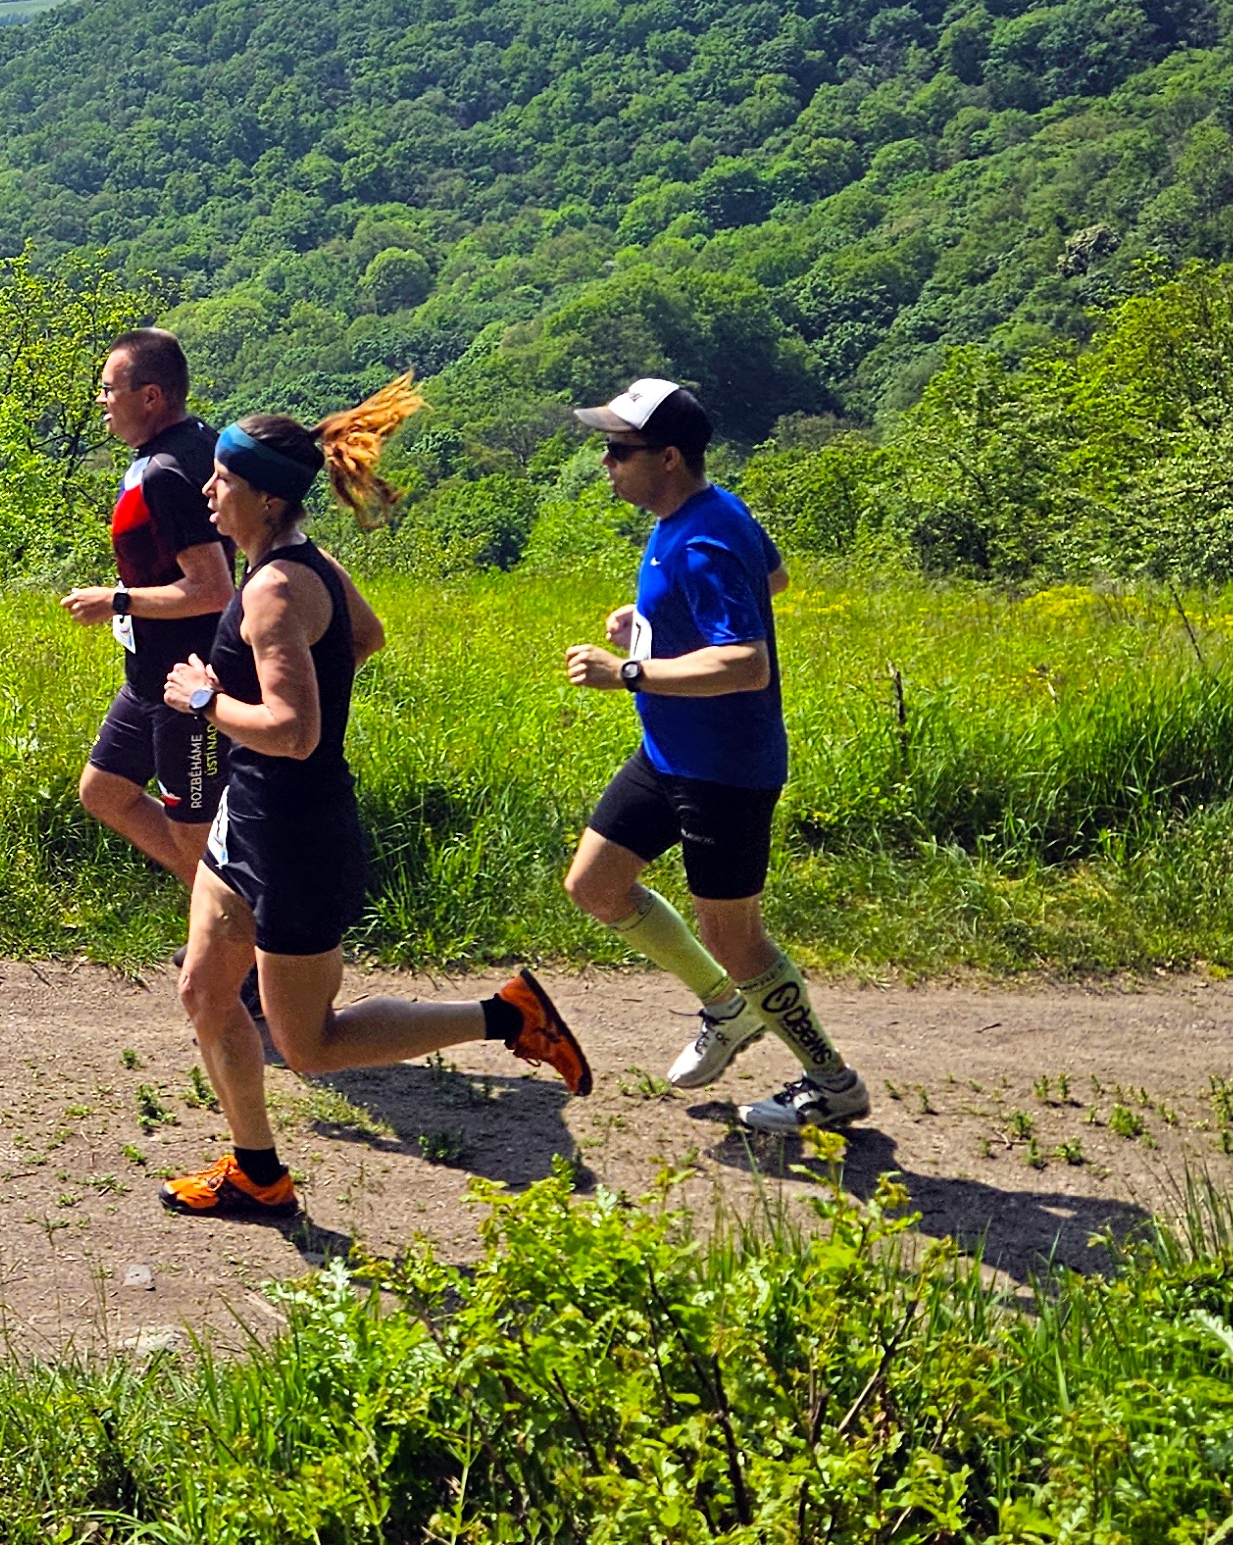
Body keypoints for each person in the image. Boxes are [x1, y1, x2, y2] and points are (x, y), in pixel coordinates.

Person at [157, 381, 593, 1223]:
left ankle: (505, 1016)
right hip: (248, 818)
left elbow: (294, 733)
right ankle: (259, 1174)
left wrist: (206, 700)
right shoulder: (296, 566)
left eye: (220, 479)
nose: (207, 490)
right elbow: (362, 636)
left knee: (307, 1046)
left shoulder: (278, 589)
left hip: (296, 837)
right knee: (205, 994)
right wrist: (294, 683)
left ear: (267, 496)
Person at [557, 376, 868, 1133]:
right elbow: (773, 576)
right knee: (596, 886)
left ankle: (832, 1083)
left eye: (618, 450)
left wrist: (626, 669)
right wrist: (659, 622)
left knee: (736, 934)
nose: (605, 462)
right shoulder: (709, 509)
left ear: (667, 457)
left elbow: (746, 665)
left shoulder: (696, 538)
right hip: (669, 752)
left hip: (723, 769)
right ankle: (728, 1011)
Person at [60, 329, 236, 886]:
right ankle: (226, 924)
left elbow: (212, 589)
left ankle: (243, 951)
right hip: (148, 678)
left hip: (188, 683)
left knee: (197, 842)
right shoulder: (190, 444)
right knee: (105, 791)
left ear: (151, 396)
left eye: (109, 387)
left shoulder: (167, 473)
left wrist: (115, 599)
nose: (101, 399)